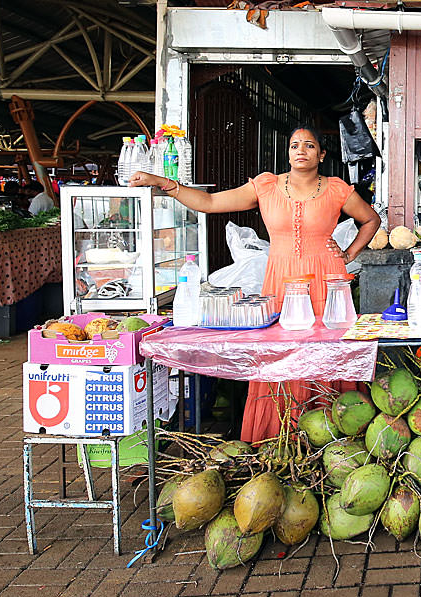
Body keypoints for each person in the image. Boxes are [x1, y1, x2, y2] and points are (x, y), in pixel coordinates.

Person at [129, 125, 381, 442]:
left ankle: (332, 438)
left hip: (326, 280)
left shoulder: (336, 189)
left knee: (325, 350)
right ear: (287, 152)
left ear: (321, 154)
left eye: (309, 145)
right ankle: (279, 438)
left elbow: (371, 219)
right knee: (279, 353)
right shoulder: (266, 186)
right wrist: (164, 183)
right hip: (280, 282)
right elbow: (209, 202)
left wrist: (348, 253)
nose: (301, 150)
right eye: (294, 145)